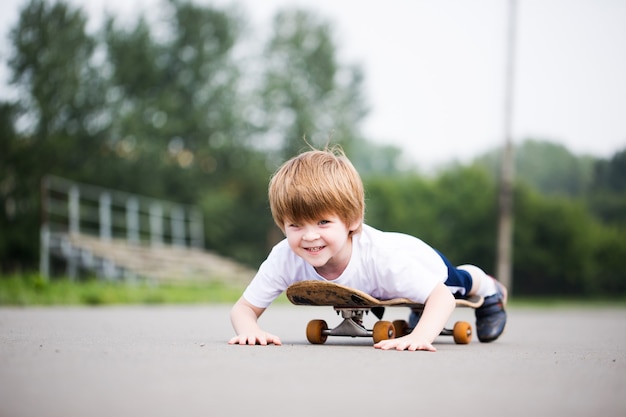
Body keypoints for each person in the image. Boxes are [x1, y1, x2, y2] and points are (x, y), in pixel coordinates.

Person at [229, 146, 507, 351]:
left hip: (422, 261)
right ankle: (420, 306)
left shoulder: (386, 259)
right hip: (392, 280)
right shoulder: (284, 257)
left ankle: (487, 285)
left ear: (352, 221)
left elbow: (443, 297)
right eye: (296, 226)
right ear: (282, 225)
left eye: (323, 222)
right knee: (415, 292)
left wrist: (420, 335)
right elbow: (243, 309)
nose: (310, 236)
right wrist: (250, 330)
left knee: (459, 282)